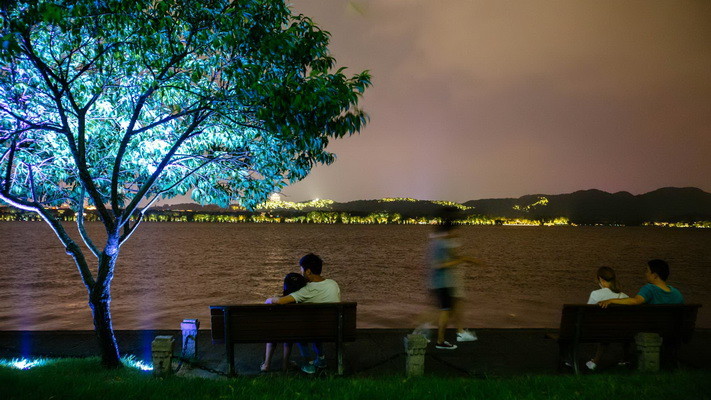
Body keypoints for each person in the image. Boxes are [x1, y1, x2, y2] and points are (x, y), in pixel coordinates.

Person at [266, 253, 341, 373]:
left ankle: (308, 363)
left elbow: (280, 301)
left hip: (312, 330)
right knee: (317, 323)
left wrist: (268, 300)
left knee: (300, 328)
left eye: (301, 270)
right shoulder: (333, 284)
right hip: (333, 329)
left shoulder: (306, 290)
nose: (301, 273)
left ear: (308, 272)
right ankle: (321, 359)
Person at [420, 218, 479, 350]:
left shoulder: (438, 242)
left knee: (444, 311)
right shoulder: (441, 244)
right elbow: (438, 264)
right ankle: (440, 341)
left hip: (440, 282)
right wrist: (463, 259)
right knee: (445, 312)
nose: (458, 232)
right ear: (449, 230)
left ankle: (426, 333)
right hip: (442, 283)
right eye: (456, 229)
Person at [260, 272, 307, 372]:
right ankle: (285, 364)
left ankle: (266, 364)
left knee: (272, 334)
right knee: (289, 335)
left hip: (274, 333)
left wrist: (269, 300)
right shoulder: (302, 301)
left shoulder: (279, 300)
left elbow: (267, 302)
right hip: (291, 331)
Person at [585, 266, 629, 371]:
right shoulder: (624, 297)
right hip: (621, 331)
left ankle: (590, 363)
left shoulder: (596, 294)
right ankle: (625, 359)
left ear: (601, 279)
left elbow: (587, 314)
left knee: (604, 329)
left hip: (600, 330)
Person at [598, 259, 684, 308]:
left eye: (647, 271)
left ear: (655, 275)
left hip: (651, 330)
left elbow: (636, 301)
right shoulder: (677, 294)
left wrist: (610, 301)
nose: (645, 274)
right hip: (671, 331)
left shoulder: (649, 289)